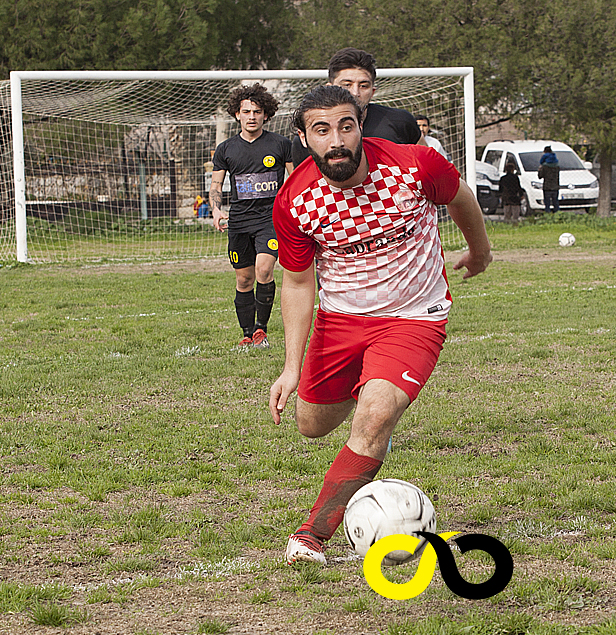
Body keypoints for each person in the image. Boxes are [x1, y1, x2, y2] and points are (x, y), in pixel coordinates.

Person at [268, 86, 492, 565]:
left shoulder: (415, 165)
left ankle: (312, 534)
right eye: (321, 130)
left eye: (346, 126)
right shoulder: (294, 201)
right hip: (341, 319)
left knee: (372, 419)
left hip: (414, 316)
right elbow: (298, 284)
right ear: (304, 138)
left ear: (361, 125)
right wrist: (290, 366)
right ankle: (371, 401)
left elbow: (461, 199)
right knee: (311, 425)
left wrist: (480, 251)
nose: (337, 141)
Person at [210, 83, 292, 348]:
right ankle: (246, 334)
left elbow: (293, 180)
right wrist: (216, 208)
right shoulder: (226, 149)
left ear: (266, 114)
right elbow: (215, 185)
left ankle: (261, 331)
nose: (252, 116)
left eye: (257, 111)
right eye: (246, 111)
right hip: (239, 221)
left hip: (270, 219)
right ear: (237, 114)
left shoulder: (281, 144)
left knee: (264, 270)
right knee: (243, 278)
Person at [287, 48, 424, 175]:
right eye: (347, 85)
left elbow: (427, 167)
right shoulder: (308, 137)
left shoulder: (400, 121)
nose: (355, 92)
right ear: (330, 87)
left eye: (363, 86)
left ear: (372, 91)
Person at [538, 146, 561, 213]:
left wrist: (540, 170)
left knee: (547, 203)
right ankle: (558, 214)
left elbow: (540, 176)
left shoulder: (545, 166)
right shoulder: (557, 166)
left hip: (547, 187)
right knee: (555, 202)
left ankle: (547, 214)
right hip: (555, 186)